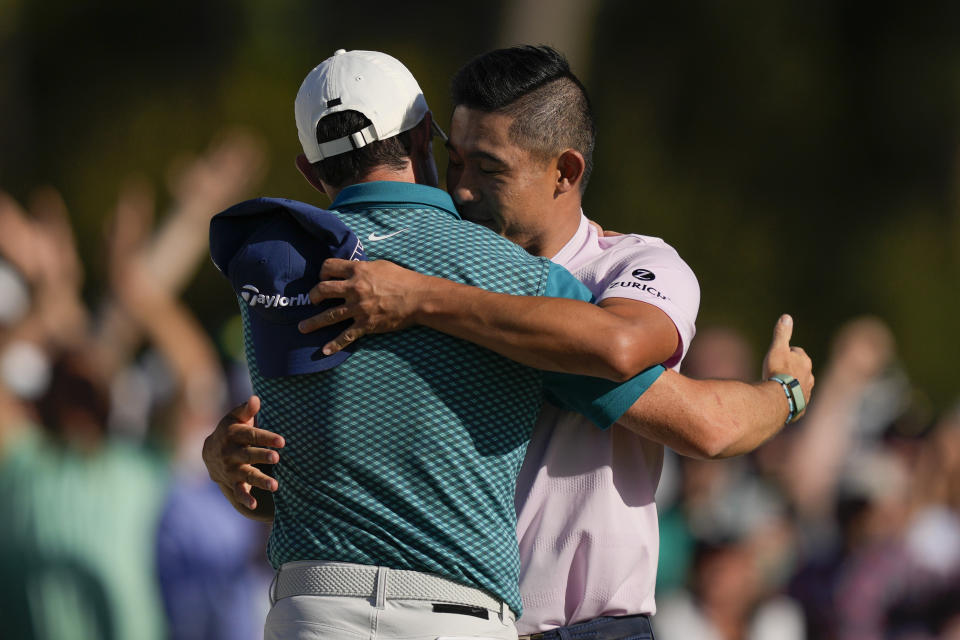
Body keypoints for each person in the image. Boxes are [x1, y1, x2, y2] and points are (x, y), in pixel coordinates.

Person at [203, 48, 813, 640]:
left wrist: (785, 391)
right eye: (456, 158)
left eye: (489, 168)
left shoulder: (628, 264)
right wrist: (234, 469)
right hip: (456, 613)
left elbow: (642, 362)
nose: (463, 188)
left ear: (565, 171)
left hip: (585, 627)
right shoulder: (411, 269)